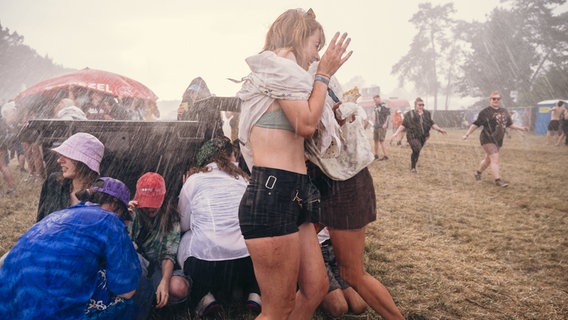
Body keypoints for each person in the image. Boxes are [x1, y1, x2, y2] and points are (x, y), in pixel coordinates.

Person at [236, 8, 352, 319]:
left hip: (297, 190)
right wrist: (324, 74)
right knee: (277, 307)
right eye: (316, 45)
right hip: (272, 192)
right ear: (299, 38)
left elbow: (305, 127)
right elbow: (304, 124)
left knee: (315, 287)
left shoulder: (291, 78)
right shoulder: (277, 65)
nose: (317, 55)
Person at [306, 74, 404, 320]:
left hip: (344, 185)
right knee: (297, 256)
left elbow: (316, 131)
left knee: (352, 273)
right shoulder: (299, 74)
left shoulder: (320, 79)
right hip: (320, 182)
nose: (316, 52)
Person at [0, 177, 141, 320]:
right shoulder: (111, 221)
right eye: (122, 214)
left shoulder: (58, 215)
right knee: (131, 299)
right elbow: (126, 290)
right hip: (49, 313)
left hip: (7, 306)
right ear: (115, 205)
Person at [178, 137, 260, 318]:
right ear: (231, 155)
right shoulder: (243, 179)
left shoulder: (194, 180)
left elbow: (183, 224)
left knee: (186, 239)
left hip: (206, 265)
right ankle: (254, 293)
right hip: (243, 261)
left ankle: (205, 297)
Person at [128, 172, 189, 319]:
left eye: (154, 203)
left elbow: (168, 253)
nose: (149, 208)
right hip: (138, 267)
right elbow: (124, 248)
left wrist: (164, 281)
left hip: (159, 268)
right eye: (146, 203)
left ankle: (157, 302)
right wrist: (123, 219)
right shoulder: (132, 212)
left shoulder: (170, 215)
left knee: (178, 287)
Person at [463, 91, 528, 187]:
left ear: (500, 100)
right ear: (490, 100)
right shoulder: (485, 112)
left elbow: (510, 124)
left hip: (498, 139)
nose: (496, 100)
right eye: (494, 98)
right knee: (495, 158)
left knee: (488, 160)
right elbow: (476, 124)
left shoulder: (504, 111)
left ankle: (478, 172)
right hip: (487, 138)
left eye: (498, 99)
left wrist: (521, 128)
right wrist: (467, 134)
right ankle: (498, 180)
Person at [37, 132, 103, 222]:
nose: (59, 160)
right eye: (60, 155)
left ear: (83, 162)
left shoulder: (102, 197)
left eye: (68, 156)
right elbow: (40, 221)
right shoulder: (53, 183)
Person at [317, 227, 368, 318]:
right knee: (338, 308)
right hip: (316, 249)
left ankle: (334, 283)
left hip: (335, 247)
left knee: (359, 306)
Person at [391, 97, 447, 173]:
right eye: (419, 105)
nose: (421, 107)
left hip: (423, 136)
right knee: (417, 148)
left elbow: (432, 124)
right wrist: (396, 133)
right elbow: (403, 125)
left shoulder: (427, 113)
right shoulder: (409, 114)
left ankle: (413, 166)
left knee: (416, 151)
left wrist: (440, 129)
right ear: (415, 105)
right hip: (412, 135)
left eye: (423, 105)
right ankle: (413, 168)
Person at [1, 101, 18, 194]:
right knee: (3, 166)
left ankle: (12, 188)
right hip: (2, 143)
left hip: (1, 144)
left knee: (3, 166)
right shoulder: (7, 123)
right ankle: (11, 188)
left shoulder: (3, 123)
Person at [372, 95, 391, 160]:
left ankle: (385, 155)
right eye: (374, 100)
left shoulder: (384, 105)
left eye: (376, 100)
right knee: (375, 140)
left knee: (381, 141)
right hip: (376, 125)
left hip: (382, 125)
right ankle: (376, 155)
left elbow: (388, 115)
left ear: (379, 98)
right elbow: (375, 114)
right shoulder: (375, 106)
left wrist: (386, 123)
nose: (375, 101)